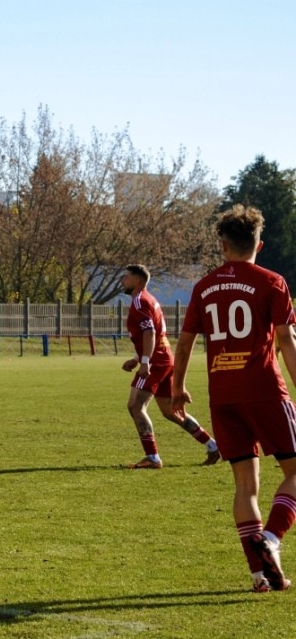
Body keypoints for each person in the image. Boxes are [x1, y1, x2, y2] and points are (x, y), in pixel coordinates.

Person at [172, 205, 296, 593]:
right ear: (260, 243)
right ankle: (272, 539)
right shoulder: (272, 282)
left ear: (222, 245)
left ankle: (259, 575)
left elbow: (187, 340)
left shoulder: (204, 287)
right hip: (263, 391)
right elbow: (286, 340)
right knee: (295, 473)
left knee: (246, 486)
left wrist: (177, 387)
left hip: (221, 396)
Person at [120, 263, 220, 469]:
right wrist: (137, 358)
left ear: (138, 281)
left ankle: (153, 457)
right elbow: (150, 333)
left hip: (156, 362)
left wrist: (145, 362)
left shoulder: (140, 301)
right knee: (170, 411)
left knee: (135, 406)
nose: (123, 280)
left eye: (126, 277)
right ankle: (212, 445)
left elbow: (150, 333)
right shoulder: (148, 299)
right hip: (164, 359)